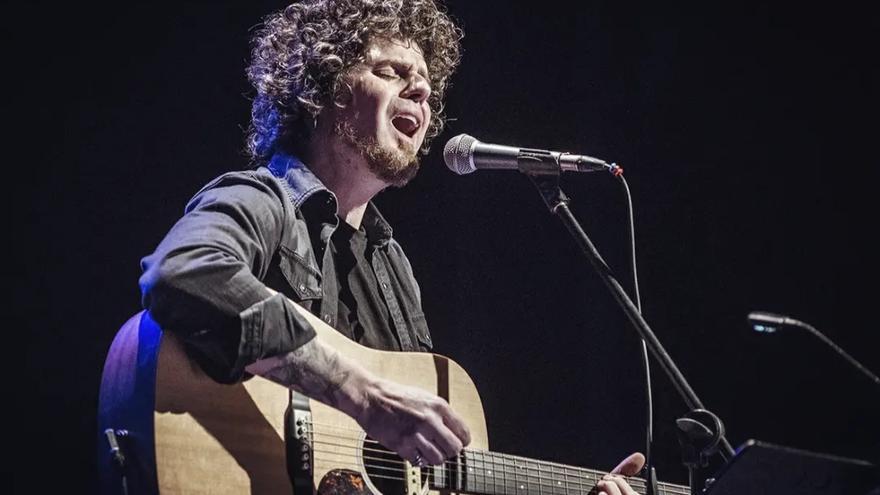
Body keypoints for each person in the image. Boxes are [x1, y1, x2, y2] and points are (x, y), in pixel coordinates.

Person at [139, 1, 644, 493]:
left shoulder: (391, 264)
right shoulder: (263, 199)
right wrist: (364, 395)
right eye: (391, 71)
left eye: (425, 84)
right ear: (324, 89)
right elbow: (185, 272)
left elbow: (418, 469)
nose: (421, 90)